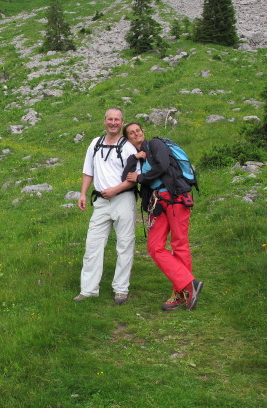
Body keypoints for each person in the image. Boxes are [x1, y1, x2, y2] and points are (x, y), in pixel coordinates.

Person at [122, 122, 203, 311]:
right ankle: (189, 284)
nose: (136, 134)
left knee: (179, 244)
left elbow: (164, 165)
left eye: (138, 131)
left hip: (175, 198)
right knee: (154, 247)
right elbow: (126, 177)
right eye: (131, 133)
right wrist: (134, 158)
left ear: (143, 132)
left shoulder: (156, 144)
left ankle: (182, 292)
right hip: (158, 203)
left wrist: (141, 178)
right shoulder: (139, 157)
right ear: (128, 139)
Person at [74, 107, 139, 305]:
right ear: (104, 121)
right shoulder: (95, 144)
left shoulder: (128, 147)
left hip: (123, 200)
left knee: (124, 245)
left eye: (117, 120)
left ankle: (121, 290)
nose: (113, 123)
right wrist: (83, 193)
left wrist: (116, 190)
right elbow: (88, 171)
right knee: (93, 245)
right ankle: (88, 290)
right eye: (110, 119)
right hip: (101, 202)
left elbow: (134, 178)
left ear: (122, 122)